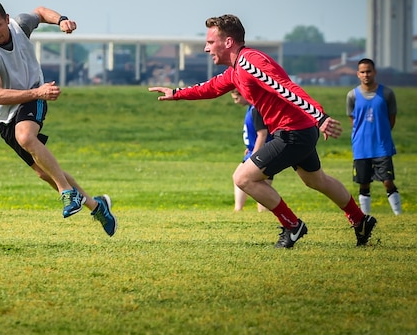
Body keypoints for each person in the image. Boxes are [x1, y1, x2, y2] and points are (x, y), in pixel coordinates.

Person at [149, 14, 376, 248]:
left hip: (293, 132)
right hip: (298, 130)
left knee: (243, 178)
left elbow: (286, 89)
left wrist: (320, 116)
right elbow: (212, 88)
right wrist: (176, 93)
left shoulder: (250, 62)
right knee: (317, 181)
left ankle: (292, 225)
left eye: (210, 42)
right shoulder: (235, 70)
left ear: (228, 42)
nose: (206, 48)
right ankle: (360, 220)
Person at [0, 0, 117, 236]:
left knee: (25, 137)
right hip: (5, 111)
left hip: (33, 95)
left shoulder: (19, 26)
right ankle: (97, 207)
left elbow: (40, 12)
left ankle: (67, 194)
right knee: (42, 172)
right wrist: (38, 92)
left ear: (7, 19)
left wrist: (61, 20)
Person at [346, 58, 401, 216]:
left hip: (382, 146)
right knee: (364, 184)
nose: (366, 74)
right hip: (361, 147)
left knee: (388, 181)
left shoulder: (387, 93)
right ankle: (365, 217)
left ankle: (398, 214)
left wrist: (380, 132)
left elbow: (391, 120)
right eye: (362, 72)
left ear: (374, 72)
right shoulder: (352, 96)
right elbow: (353, 121)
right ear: (358, 74)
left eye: (368, 71)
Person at [230, 89, 269, 212]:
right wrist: (250, 147)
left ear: (245, 94)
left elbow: (262, 134)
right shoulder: (251, 109)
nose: (236, 102)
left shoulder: (256, 110)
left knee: (262, 185)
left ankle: (262, 212)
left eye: (237, 98)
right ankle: (239, 209)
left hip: (260, 153)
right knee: (239, 177)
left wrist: (255, 155)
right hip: (252, 151)